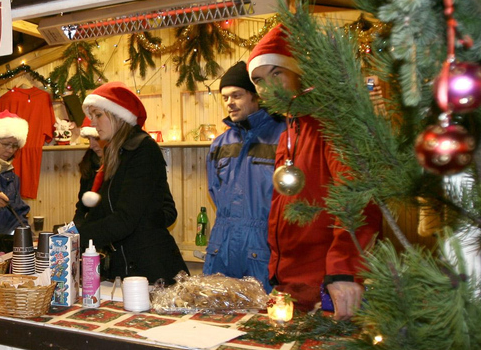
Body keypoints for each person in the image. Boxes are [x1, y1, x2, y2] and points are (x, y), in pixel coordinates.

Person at [247, 24, 382, 319]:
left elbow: (358, 197)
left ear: (299, 72)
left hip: (329, 291)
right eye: (258, 80)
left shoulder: (333, 122)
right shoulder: (289, 132)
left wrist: (344, 269)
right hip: (291, 287)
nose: (267, 87)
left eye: (277, 73)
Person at [77, 81, 188, 285]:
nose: (93, 123)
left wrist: (77, 238)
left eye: (98, 115)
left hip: (152, 268)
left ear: (119, 115)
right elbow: (103, 212)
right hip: (125, 264)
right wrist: (72, 232)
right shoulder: (116, 154)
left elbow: (125, 218)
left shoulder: (143, 150)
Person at [203, 61, 285, 293]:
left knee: (265, 321)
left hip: (265, 246)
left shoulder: (284, 135)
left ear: (255, 96)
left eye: (236, 95)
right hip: (222, 245)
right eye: (225, 97)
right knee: (215, 320)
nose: (229, 103)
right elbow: (214, 190)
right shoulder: (220, 143)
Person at [73, 117, 105, 229]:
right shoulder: (89, 164)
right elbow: (82, 206)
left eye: (96, 139)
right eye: (89, 140)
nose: (92, 145)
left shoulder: (122, 164)